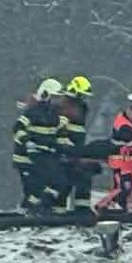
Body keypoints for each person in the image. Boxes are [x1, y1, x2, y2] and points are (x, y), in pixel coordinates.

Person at [11, 80, 64, 214]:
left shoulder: (53, 115)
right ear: (45, 94)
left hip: (40, 157)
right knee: (33, 189)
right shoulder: (32, 112)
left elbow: (54, 136)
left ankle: (35, 210)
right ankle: (28, 212)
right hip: (24, 158)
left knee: (49, 184)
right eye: (54, 97)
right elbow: (18, 129)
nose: (56, 101)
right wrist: (27, 141)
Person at [95, 94, 132, 217]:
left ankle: (129, 208)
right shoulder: (124, 125)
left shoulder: (127, 122)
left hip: (129, 162)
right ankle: (102, 205)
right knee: (121, 187)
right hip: (121, 162)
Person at [53, 75, 95, 212]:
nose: (83, 98)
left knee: (84, 177)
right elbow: (58, 130)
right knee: (63, 183)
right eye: (82, 95)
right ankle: (57, 212)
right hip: (63, 152)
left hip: (76, 151)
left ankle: (82, 210)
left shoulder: (81, 107)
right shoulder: (63, 106)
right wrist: (65, 147)